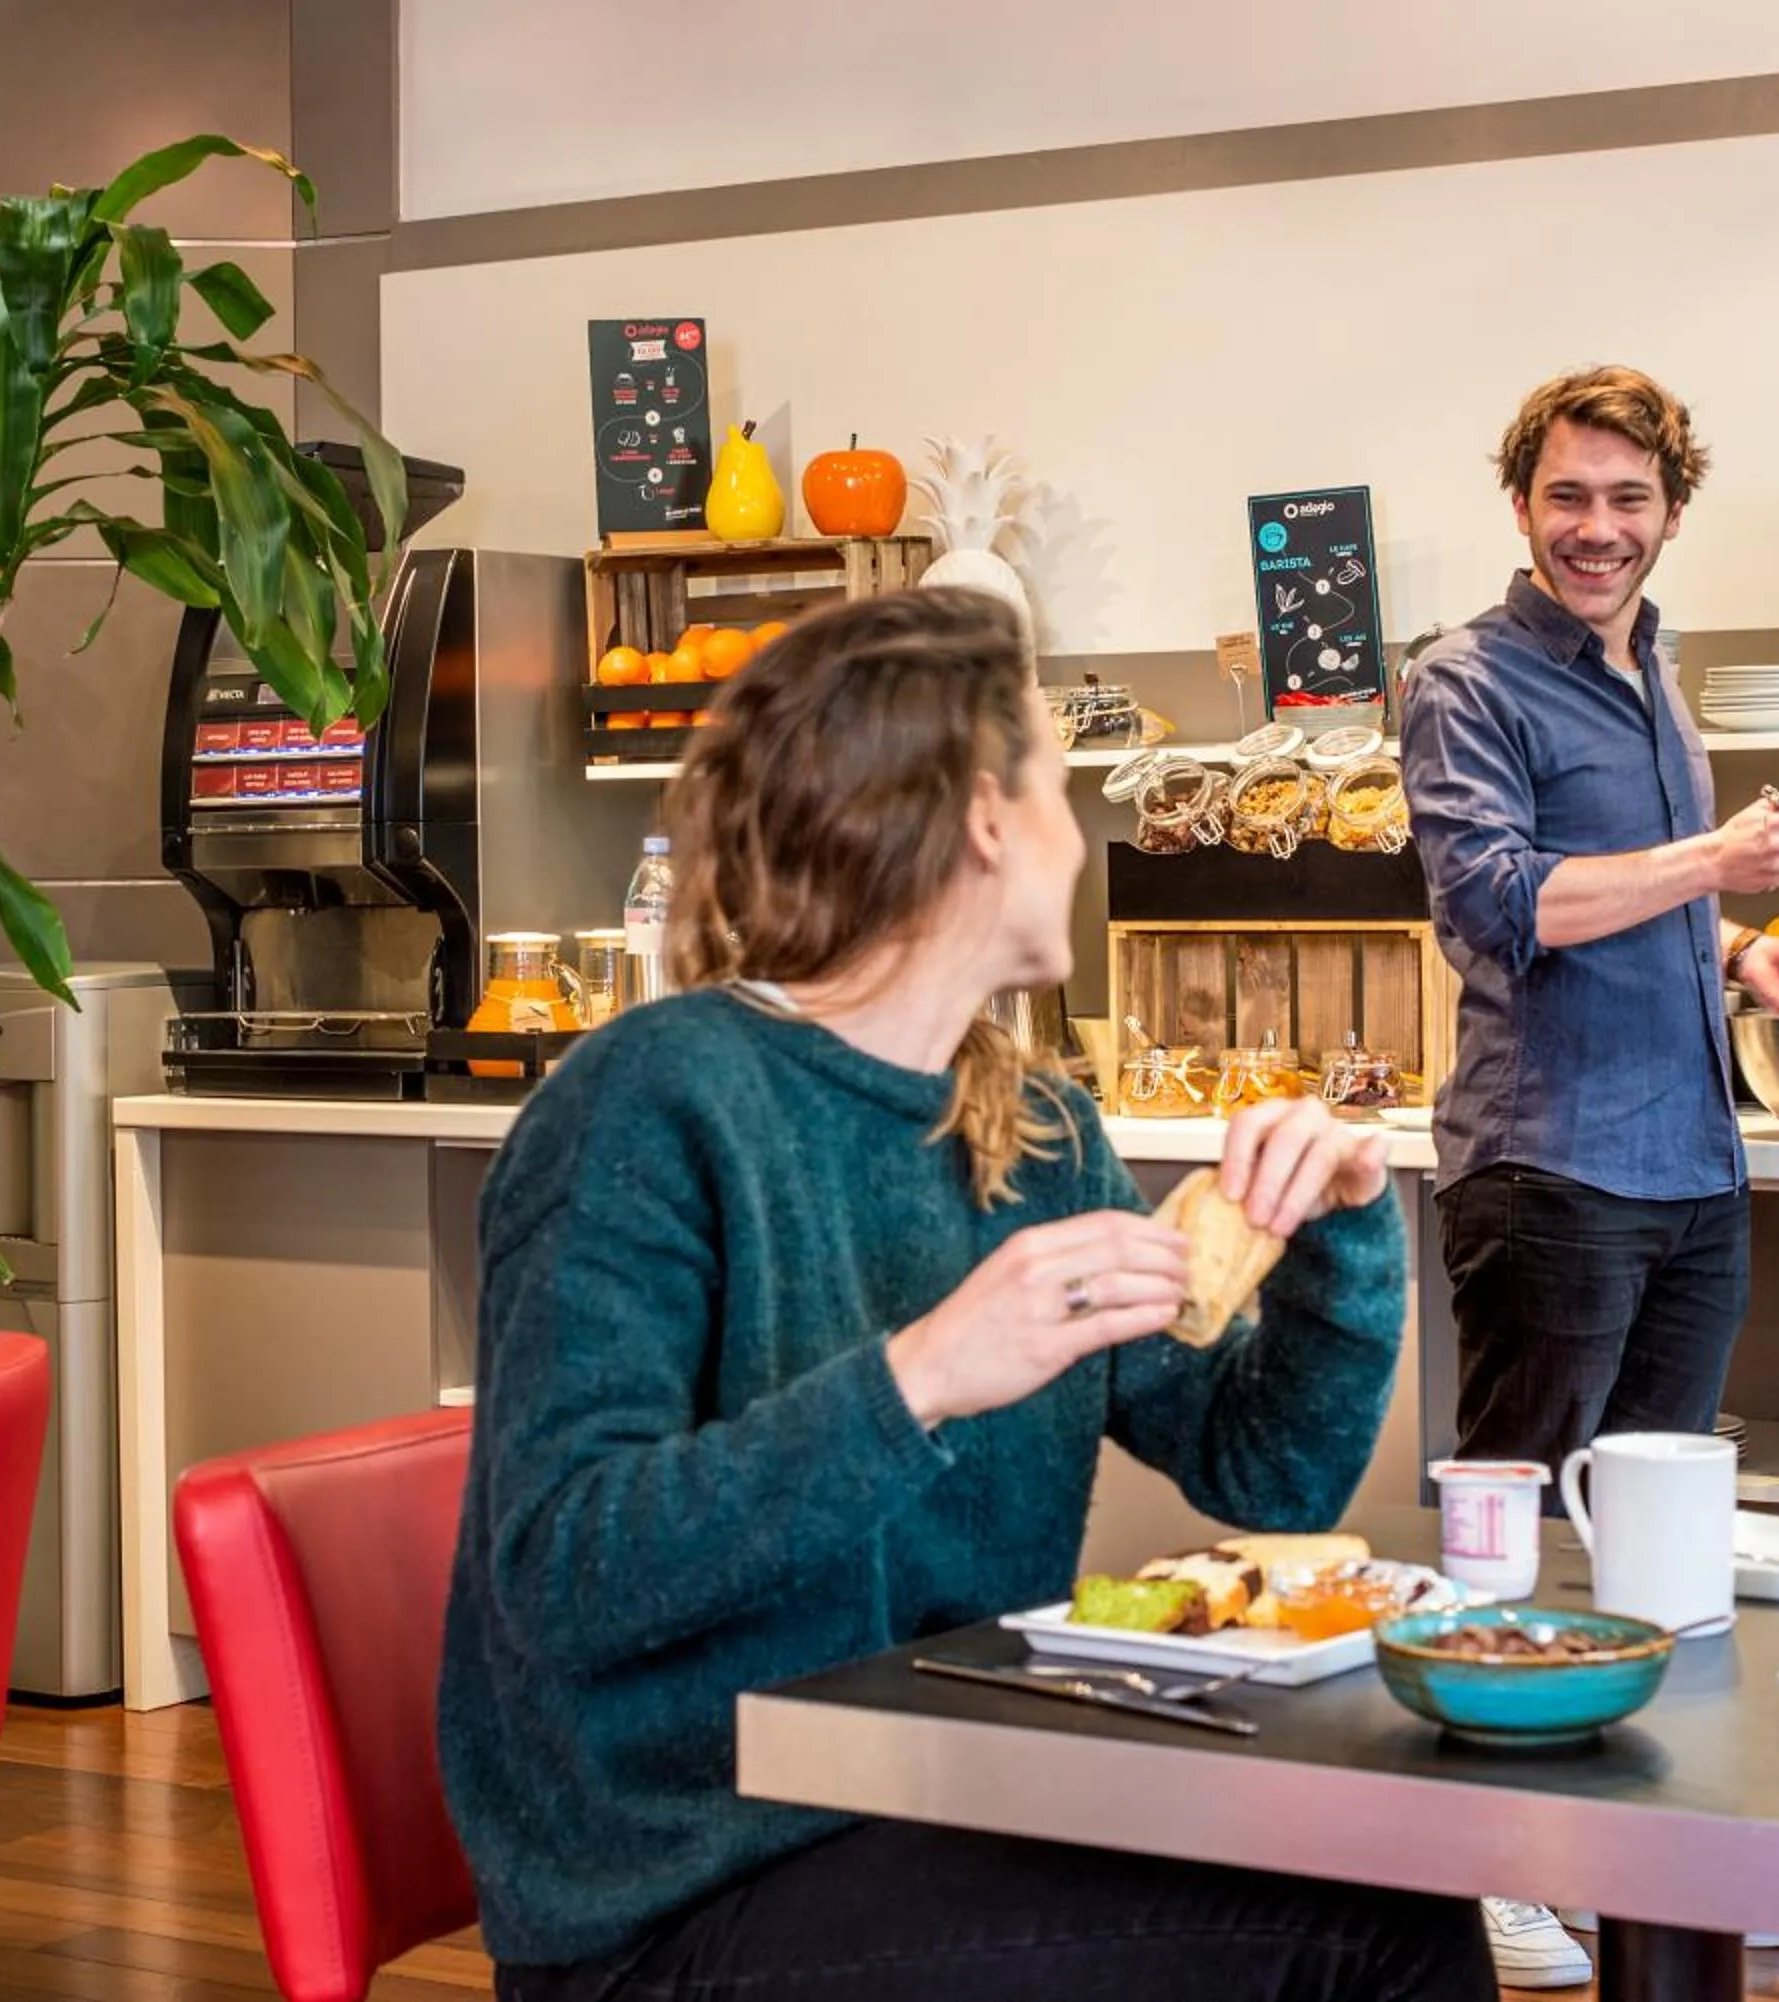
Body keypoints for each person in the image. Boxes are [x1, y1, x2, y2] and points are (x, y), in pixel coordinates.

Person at [441, 587, 1493, 2002]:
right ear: (987, 817)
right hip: (683, 1887)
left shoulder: (1037, 1134)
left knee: (1389, 1862)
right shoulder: (650, 1103)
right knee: (1383, 1932)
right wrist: (923, 1375)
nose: (1082, 836)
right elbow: (567, 1577)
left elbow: (1271, 1473)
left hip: (952, 1788)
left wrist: (1344, 1234)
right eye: (1058, 787)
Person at [1398, 365, 1779, 1985]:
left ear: (1670, 511)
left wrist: (1738, 953)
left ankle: (1636, 1866)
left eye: (1629, 499)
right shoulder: (1466, 679)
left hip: (1691, 1167)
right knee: (1510, 1520)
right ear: (1522, 504)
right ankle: (1489, 1869)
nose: (1599, 528)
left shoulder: (1655, 666)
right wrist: (1715, 861)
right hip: (1550, 1164)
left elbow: (1641, 904)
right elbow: (1501, 903)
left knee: (1656, 1542)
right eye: (1570, 496)